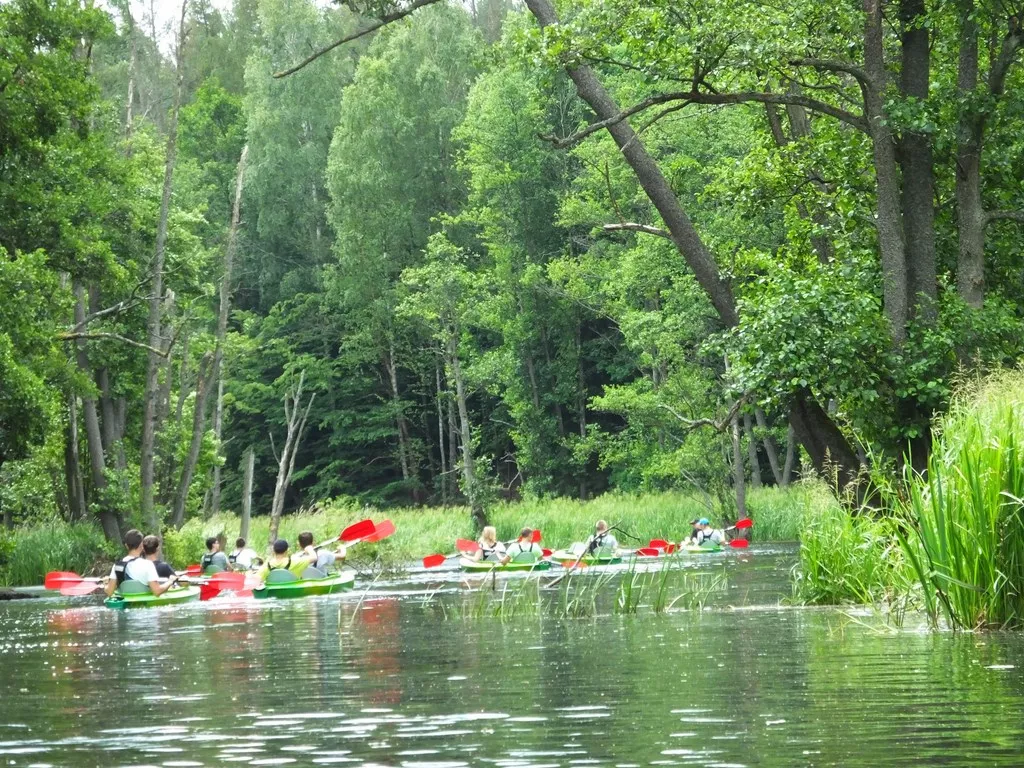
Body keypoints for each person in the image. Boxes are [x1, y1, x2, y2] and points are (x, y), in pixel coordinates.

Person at [104, 529, 178, 597]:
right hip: (146, 607)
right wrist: (170, 581)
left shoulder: (117, 566)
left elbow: (109, 592)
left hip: (125, 606)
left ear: (126, 546)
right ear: (141, 546)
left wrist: (106, 583)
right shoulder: (148, 565)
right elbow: (157, 591)